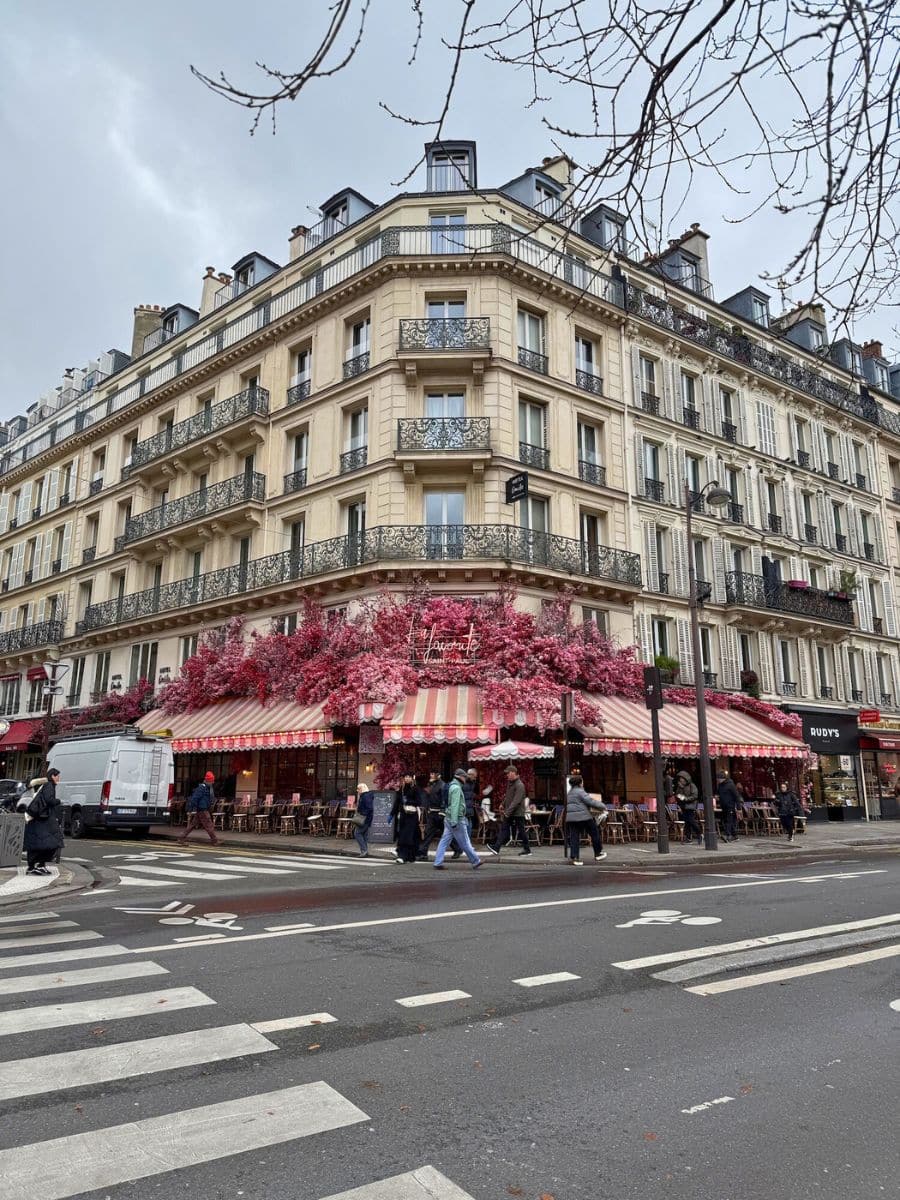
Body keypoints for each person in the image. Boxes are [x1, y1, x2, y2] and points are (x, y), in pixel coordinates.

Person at [433, 769, 482, 869]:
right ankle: (475, 861)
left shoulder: (452, 785)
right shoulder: (456, 788)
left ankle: (438, 862)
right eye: (464, 777)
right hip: (456, 818)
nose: (465, 779)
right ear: (460, 777)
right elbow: (455, 805)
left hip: (448, 817)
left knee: (444, 840)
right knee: (464, 841)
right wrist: (454, 821)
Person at [23, 769, 64, 875]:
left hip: (40, 818)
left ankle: (39, 865)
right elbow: (49, 800)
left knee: (41, 843)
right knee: (49, 842)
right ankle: (34, 866)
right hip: (42, 818)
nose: (59, 778)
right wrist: (58, 801)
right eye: (57, 776)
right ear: (53, 776)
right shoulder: (49, 785)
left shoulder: (47, 785)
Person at [485, 765, 530, 856]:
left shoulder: (519, 785)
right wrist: (503, 804)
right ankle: (496, 848)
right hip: (510, 812)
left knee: (521, 831)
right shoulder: (511, 783)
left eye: (508, 773)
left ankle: (527, 849)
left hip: (517, 813)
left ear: (513, 773)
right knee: (504, 829)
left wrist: (507, 812)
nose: (507, 775)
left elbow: (516, 801)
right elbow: (508, 796)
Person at [564, 773, 608, 865]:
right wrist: (603, 806)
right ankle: (598, 853)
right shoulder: (580, 791)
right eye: (582, 781)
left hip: (571, 819)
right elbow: (591, 801)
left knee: (574, 837)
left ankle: (575, 857)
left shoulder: (569, 793)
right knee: (594, 832)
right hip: (584, 817)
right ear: (580, 783)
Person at [179, 771, 220, 846]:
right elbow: (195, 798)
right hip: (203, 809)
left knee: (192, 825)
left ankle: (182, 837)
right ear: (208, 780)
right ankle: (215, 841)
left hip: (201, 809)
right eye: (212, 781)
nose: (213, 782)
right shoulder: (202, 788)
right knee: (209, 825)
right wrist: (192, 808)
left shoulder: (206, 788)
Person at [390, 773, 422, 863]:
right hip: (403, 815)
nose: (407, 778)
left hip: (412, 816)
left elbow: (419, 802)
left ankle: (402, 855)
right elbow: (397, 802)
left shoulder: (415, 788)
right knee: (406, 835)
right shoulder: (402, 789)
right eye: (406, 777)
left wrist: (408, 801)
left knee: (406, 836)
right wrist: (392, 814)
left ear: (412, 778)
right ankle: (411, 856)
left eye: (409, 777)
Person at [418, 770, 448, 860]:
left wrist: (442, 812)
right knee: (428, 833)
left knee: (447, 833)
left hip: (439, 813)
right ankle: (423, 853)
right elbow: (429, 796)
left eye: (432, 774)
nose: (431, 776)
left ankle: (457, 848)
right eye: (430, 774)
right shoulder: (432, 784)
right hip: (432, 812)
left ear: (438, 775)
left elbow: (444, 799)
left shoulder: (442, 785)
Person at [450, 767, 479, 859]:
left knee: (467, 832)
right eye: (474, 777)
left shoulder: (471, 783)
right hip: (463, 812)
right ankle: (462, 850)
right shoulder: (464, 784)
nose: (475, 778)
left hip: (468, 812)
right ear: (470, 775)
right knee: (462, 832)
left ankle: (464, 850)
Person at [675, 769, 702, 845]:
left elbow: (695, 795)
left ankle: (699, 833)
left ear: (686, 779)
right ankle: (688, 838)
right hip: (683, 806)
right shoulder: (680, 787)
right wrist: (680, 791)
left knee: (691, 820)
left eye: (682, 780)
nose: (681, 781)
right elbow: (677, 796)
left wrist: (686, 798)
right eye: (680, 780)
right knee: (686, 822)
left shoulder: (692, 786)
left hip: (690, 806)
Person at [717, 770, 741, 842]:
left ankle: (728, 835)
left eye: (719, 778)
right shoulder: (720, 786)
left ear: (723, 778)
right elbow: (720, 794)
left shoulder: (730, 785)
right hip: (723, 806)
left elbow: (736, 796)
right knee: (726, 820)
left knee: (729, 821)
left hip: (730, 806)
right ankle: (735, 836)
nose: (718, 780)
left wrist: (739, 808)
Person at [353, 782, 375, 856]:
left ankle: (364, 850)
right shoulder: (366, 795)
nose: (357, 790)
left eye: (358, 789)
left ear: (362, 789)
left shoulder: (365, 796)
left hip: (364, 819)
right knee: (364, 835)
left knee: (357, 833)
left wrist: (362, 814)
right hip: (367, 819)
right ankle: (365, 851)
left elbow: (369, 808)